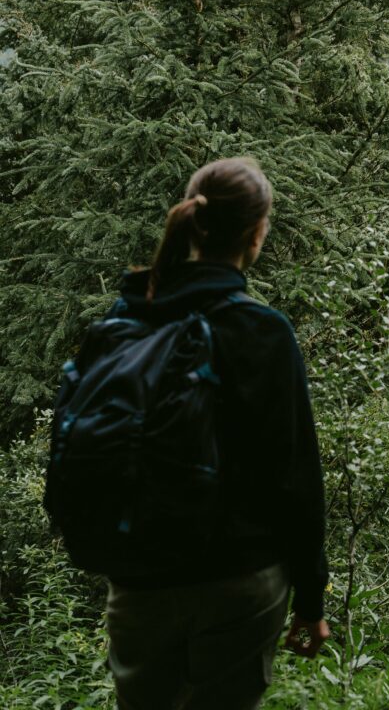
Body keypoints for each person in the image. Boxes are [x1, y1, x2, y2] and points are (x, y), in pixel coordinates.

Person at [104, 156, 330, 710]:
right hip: (240, 581)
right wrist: (311, 599)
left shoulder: (126, 321)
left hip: (141, 577)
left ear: (193, 223)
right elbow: (297, 477)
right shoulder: (265, 332)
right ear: (257, 234)